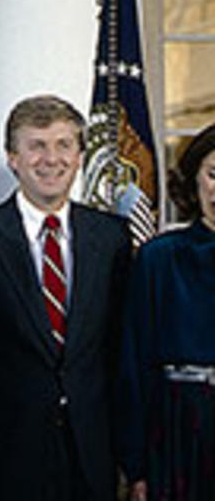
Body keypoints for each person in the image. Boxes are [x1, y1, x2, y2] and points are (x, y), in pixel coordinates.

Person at [0, 95, 131, 501]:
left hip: (93, 453)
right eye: (36, 146)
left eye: (64, 145)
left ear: (81, 155)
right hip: (8, 456)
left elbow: (120, 352)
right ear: (13, 158)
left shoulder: (113, 238)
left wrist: (131, 457)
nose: (51, 159)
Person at [119, 122, 215, 501]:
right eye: (214, 174)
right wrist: (136, 466)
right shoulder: (159, 257)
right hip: (178, 431)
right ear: (194, 180)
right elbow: (133, 364)